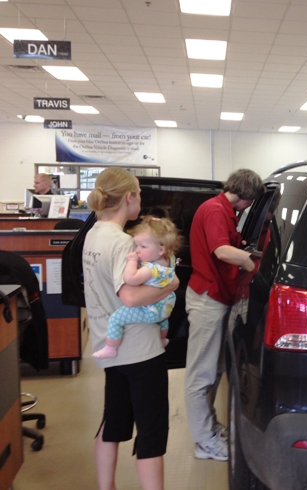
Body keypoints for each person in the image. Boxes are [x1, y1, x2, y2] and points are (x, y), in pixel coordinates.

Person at [83, 167, 178, 490]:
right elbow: (131, 295)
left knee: (113, 423)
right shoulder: (124, 244)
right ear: (129, 197)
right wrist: (171, 285)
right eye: (138, 193)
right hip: (139, 350)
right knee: (151, 431)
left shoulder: (93, 235)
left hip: (109, 347)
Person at [184, 168, 265, 461]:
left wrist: (243, 248)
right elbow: (221, 251)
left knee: (213, 369)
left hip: (216, 297)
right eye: (250, 202)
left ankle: (209, 429)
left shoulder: (224, 210)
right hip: (208, 298)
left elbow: (227, 244)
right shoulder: (216, 210)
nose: (248, 207)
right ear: (245, 196)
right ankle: (204, 442)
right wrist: (255, 266)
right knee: (200, 374)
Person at [92, 215, 182, 360]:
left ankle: (111, 348)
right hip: (166, 306)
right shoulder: (169, 258)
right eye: (137, 245)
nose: (138, 250)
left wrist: (132, 261)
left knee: (116, 319)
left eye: (143, 246)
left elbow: (131, 279)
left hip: (149, 310)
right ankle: (162, 339)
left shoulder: (151, 269)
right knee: (163, 320)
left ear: (160, 249)